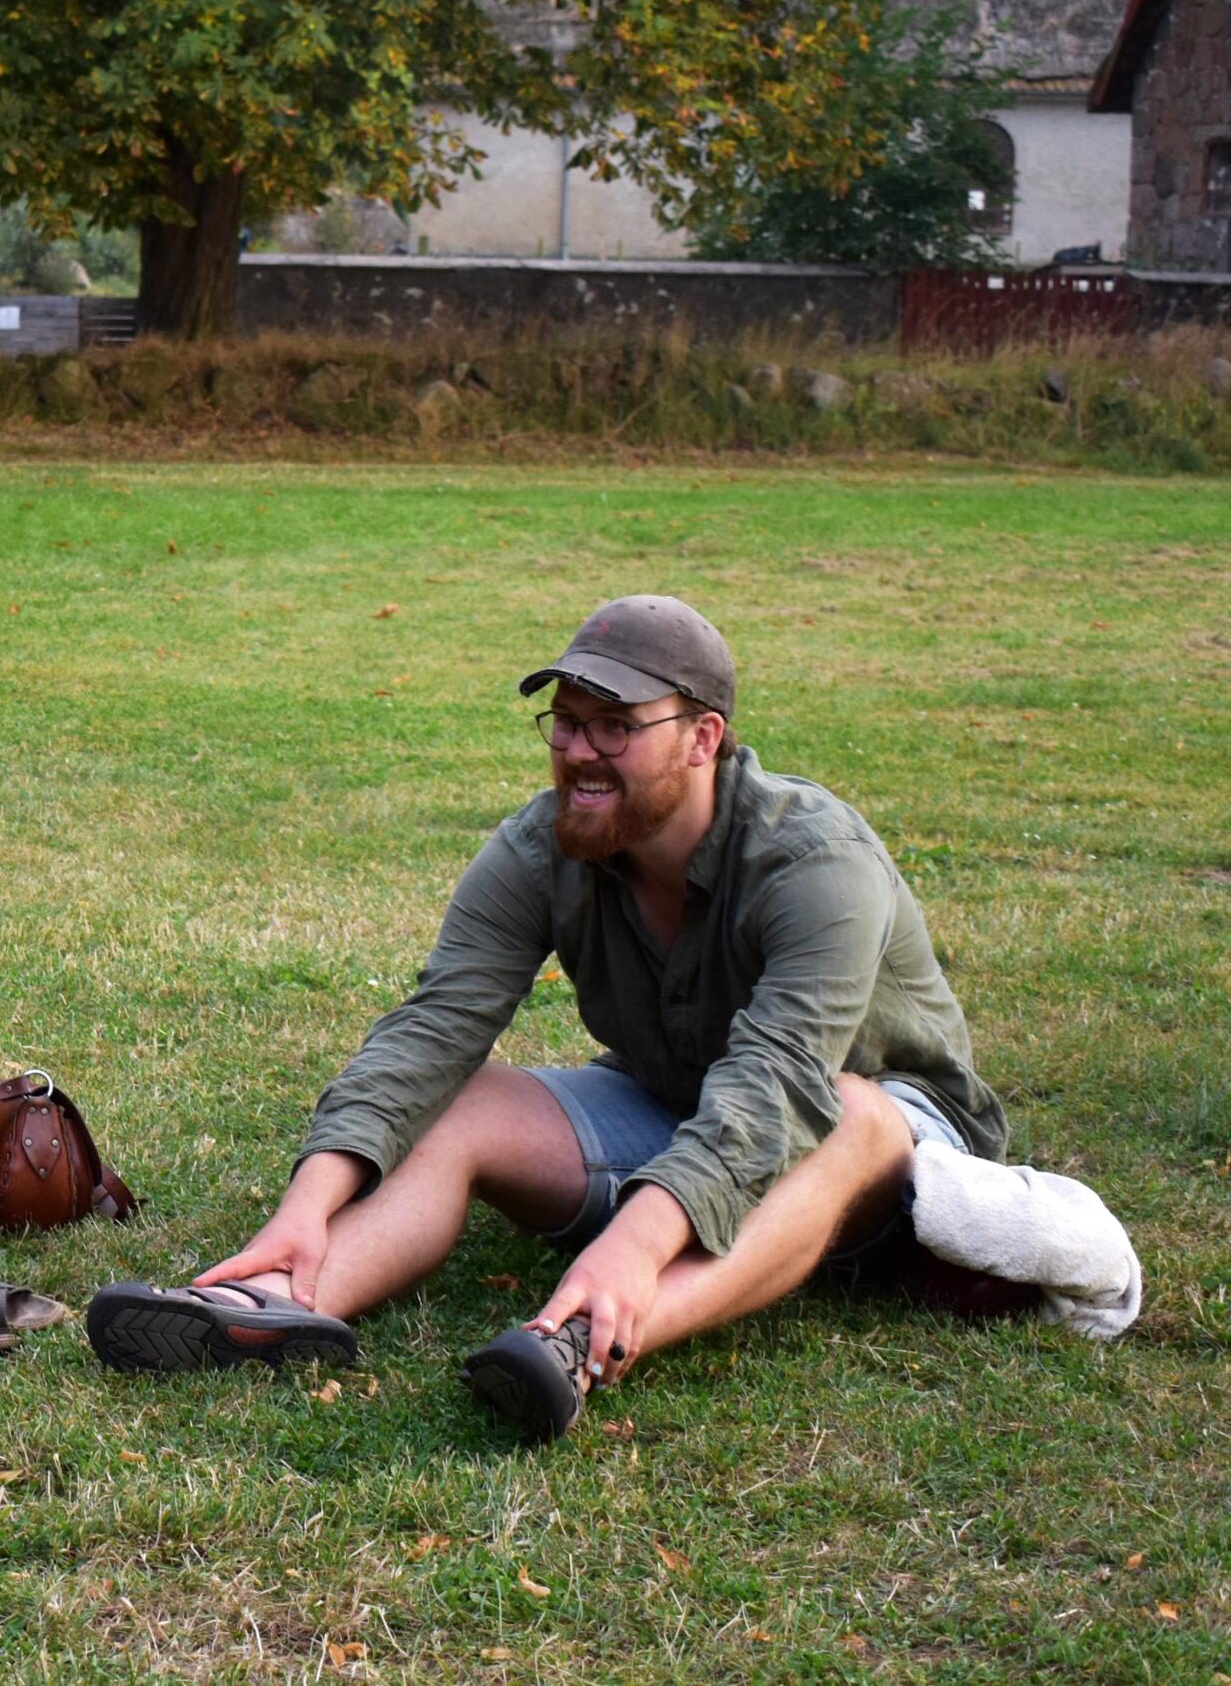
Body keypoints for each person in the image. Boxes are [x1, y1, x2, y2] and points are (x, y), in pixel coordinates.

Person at [86, 596, 1009, 1442]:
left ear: (703, 738)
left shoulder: (813, 860)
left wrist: (630, 1247)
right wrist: (307, 1202)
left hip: (889, 1146)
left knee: (849, 1110)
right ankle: (278, 1298)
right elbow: (433, 1028)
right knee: (465, 1094)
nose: (577, 751)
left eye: (616, 725)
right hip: (680, 1106)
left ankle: (584, 1335)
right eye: (566, 723)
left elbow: (778, 1085)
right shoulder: (542, 843)